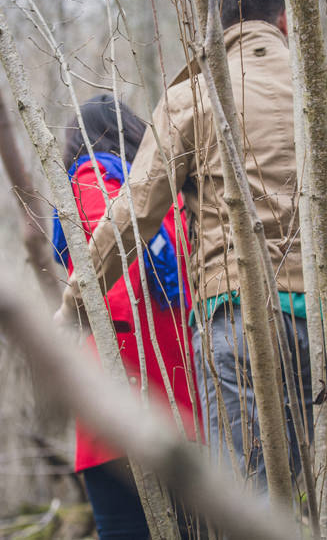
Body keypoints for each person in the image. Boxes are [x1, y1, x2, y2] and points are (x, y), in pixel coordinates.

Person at [55, 0, 327, 491]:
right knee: (307, 498)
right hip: (323, 324)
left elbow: (132, 215)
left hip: (234, 316)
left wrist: (73, 302)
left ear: (216, 23)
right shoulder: (322, 86)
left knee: (245, 499)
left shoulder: (192, 97)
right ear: (282, 21)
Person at [52, 94, 200, 539]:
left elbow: (113, 283)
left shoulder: (91, 177)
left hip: (125, 392)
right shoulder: (164, 195)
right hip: (178, 401)